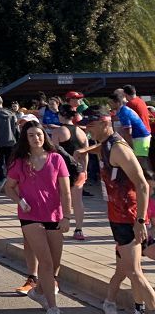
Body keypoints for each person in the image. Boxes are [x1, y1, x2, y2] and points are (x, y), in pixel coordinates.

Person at [78, 107, 155, 314]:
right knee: (125, 270)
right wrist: (83, 151)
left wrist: (140, 221)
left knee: (134, 271)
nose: (87, 130)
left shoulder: (119, 148)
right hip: (117, 215)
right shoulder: (107, 144)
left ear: (105, 123)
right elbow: (100, 148)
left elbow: (142, 185)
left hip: (129, 217)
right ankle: (133, 307)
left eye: (90, 126)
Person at [3, 119, 71, 314]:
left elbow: (66, 192)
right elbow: (9, 187)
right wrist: (20, 201)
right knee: (46, 262)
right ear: (25, 138)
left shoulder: (56, 159)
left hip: (54, 216)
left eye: (39, 134)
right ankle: (52, 306)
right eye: (31, 135)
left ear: (45, 136)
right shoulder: (19, 162)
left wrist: (67, 217)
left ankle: (39, 290)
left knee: (55, 265)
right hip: (30, 217)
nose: (36, 138)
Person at [50, 104, 88, 241]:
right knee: (78, 201)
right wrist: (85, 169)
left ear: (61, 115)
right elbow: (86, 153)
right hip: (79, 169)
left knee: (62, 198)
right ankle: (79, 230)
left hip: (63, 170)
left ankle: (61, 224)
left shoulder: (58, 132)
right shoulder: (81, 132)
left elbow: (54, 153)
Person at [111, 89, 152, 159]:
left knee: (142, 161)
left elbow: (128, 131)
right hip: (142, 135)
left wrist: (129, 146)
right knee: (141, 161)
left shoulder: (128, 106)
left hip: (139, 137)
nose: (110, 104)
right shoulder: (139, 101)